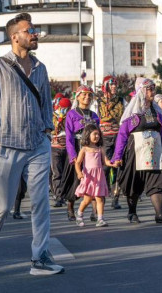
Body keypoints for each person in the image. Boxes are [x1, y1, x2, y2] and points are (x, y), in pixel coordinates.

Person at [0, 12, 63, 277]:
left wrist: (46, 130)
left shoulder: (40, 68)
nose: (34, 34)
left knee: (40, 202)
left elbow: (47, 103)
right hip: (7, 147)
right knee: (2, 206)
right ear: (15, 37)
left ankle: (40, 258)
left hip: (37, 145)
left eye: (34, 30)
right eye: (29, 30)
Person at [112, 78, 162, 224]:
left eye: (153, 88)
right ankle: (132, 212)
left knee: (157, 182)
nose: (153, 92)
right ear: (141, 91)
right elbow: (122, 136)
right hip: (135, 152)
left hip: (155, 153)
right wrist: (117, 156)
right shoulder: (132, 115)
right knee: (134, 182)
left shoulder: (157, 113)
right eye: (149, 89)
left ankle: (159, 214)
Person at [61, 85, 100, 222]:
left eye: (89, 95)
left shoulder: (94, 116)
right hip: (77, 148)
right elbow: (69, 137)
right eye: (84, 95)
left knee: (94, 178)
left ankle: (95, 212)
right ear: (77, 97)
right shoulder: (72, 114)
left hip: (91, 150)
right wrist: (72, 155)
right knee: (76, 179)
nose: (87, 97)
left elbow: (98, 135)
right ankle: (70, 207)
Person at [74, 123, 115, 227]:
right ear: (88, 135)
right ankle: (79, 214)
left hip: (99, 176)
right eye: (94, 134)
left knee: (99, 198)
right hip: (89, 177)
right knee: (87, 200)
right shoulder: (84, 149)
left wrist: (113, 163)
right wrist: (79, 173)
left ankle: (100, 219)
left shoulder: (100, 149)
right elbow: (77, 163)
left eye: (98, 134)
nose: (97, 136)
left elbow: (106, 161)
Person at [97, 75, 126, 209]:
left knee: (119, 164)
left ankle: (116, 196)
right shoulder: (97, 102)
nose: (114, 87)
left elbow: (125, 117)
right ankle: (103, 193)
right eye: (111, 84)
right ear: (106, 86)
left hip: (118, 135)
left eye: (115, 84)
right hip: (104, 137)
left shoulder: (121, 100)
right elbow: (95, 119)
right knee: (105, 166)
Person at [50, 96, 71, 207]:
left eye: (67, 108)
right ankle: (58, 196)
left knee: (66, 172)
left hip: (68, 147)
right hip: (55, 146)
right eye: (63, 108)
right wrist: (59, 120)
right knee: (56, 172)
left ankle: (66, 195)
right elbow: (52, 130)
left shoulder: (71, 115)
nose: (64, 110)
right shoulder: (53, 115)